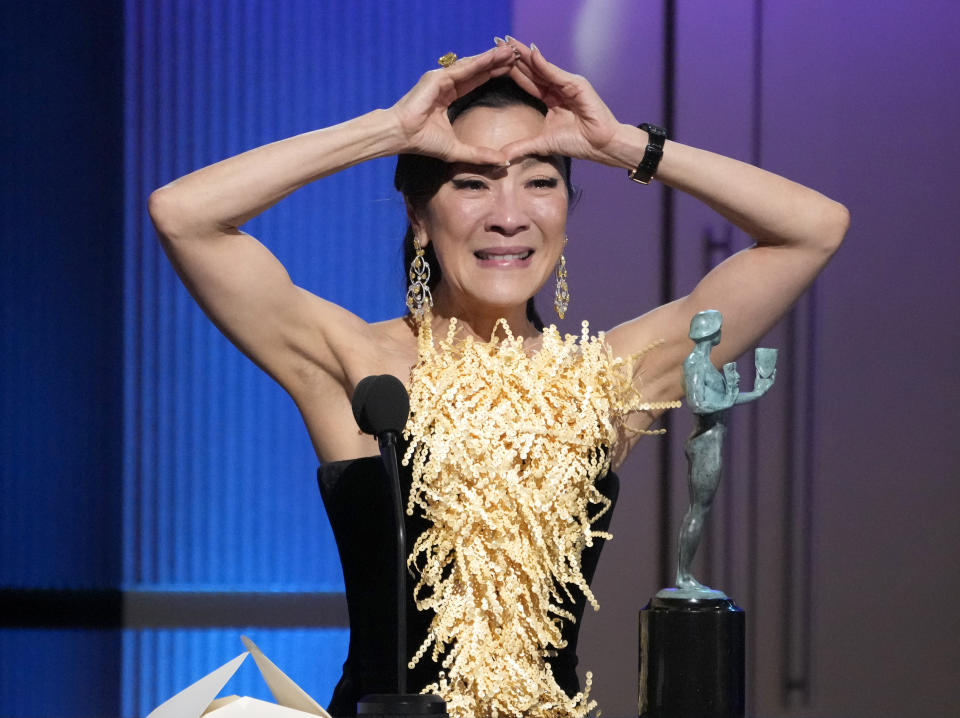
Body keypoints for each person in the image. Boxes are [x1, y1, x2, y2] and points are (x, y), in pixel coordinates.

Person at [148, 38, 848, 718]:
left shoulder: (601, 379)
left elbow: (813, 228)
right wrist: (388, 130)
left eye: (540, 182)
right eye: (471, 183)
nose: (509, 216)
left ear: (567, 216)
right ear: (420, 218)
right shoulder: (355, 360)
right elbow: (185, 215)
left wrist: (621, 144)